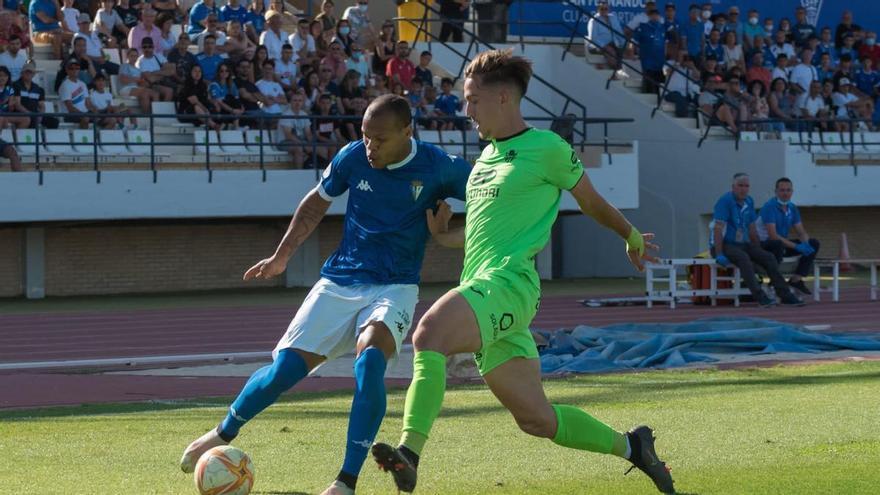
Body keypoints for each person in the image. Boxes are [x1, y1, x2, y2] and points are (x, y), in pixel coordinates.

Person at [371, 48, 672, 495]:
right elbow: (479, 237)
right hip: (483, 290)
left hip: (511, 287)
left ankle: (409, 454)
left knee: (428, 332)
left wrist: (630, 236)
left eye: (473, 100)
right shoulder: (483, 164)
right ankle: (633, 446)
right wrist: (444, 235)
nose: (466, 109)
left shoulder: (548, 148)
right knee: (537, 420)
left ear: (505, 98)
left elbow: (591, 201)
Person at [179, 94, 471, 495]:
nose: (370, 147)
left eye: (380, 140)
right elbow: (316, 203)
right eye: (366, 137)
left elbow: (495, 202)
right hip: (338, 282)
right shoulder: (353, 156)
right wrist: (281, 257)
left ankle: (345, 482)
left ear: (408, 132)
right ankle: (221, 432)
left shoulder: (440, 166)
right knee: (284, 372)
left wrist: (447, 237)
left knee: (369, 362)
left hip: (394, 286)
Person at [711, 173, 803, 307]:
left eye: (746, 186)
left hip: (742, 243)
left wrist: (757, 249)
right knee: (743, 258)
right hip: (724, 244)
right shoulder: (725, 201)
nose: (743, 189)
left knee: (769, 257)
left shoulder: (749, 201)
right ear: (733, 187)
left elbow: (752, 228)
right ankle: (760, 297)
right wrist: (719, 253)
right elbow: (718, 228)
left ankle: (785, 295)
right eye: (740, 185)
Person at [757, 177, 820, 295]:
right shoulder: (769, 207)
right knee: (778, 244)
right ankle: (774, 281)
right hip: (765, 245)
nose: (785, 193)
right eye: (782, 190)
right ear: (776, 192)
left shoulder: (792, 208)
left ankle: (796, 280)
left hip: (781, 244)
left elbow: (801, 232)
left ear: (792, 192)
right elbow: (773, 235)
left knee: (814, 243)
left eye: (788, 190)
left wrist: (806, 244)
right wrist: (796, 247)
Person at [11, 63, 58, 130]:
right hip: (20, 113)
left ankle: (45, 139)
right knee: (31, 119)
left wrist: (40, 116)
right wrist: (30, 114)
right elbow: (17, 105)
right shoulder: (15, 85)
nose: (28, 74)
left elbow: (42, 106)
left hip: (34, 114)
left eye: (30, 72)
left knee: (54, 122)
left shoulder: (38, 89)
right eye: (26, 71)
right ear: (22, 73)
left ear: (34, 74)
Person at [632, 8, 666, 94]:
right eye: (653, 15)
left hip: (660, 61)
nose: (655, 17)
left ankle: (658, 101)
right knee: (649, 82)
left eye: (656, 15)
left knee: (659, 84)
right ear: (649, 16)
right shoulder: (642, 27)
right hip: (647, 61)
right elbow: (634, 41)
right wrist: (632, 53)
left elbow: (667, 44)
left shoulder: (662, 28)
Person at [177, 64, 220, 129]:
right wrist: (205, 110)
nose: (197, 73)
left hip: (201, 113)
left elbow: (207, 98)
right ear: (190, 73)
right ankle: (213, 125)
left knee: (214, 106)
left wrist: (215, 103)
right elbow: (194, 101)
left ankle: (218, 126)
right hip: (186, 112)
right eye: (195, 71)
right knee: (196, 107)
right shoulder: (186, 86)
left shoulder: (203, 86)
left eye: (199, 71)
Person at [586, 1, 624, 75]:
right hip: (599, 45)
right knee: (611, 51)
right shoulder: (594, 20)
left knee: (627, 49)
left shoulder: (613, 18)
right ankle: (616, 72)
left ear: (608, 9)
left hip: (614, 43)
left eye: (605, 9)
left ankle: (623, 71)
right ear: (598, 9)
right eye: (601, 9)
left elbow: (619, 32)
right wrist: (604, 46)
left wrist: (625, 44)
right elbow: (593, 38)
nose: (604, 10)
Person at [276, 91, 312, 167]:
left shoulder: (304, 114)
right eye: (295, 100)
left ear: (303, 102)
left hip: (300, 141)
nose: (297, 103)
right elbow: (288, 135)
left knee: (321, 149)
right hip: (284, 142)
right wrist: (304, 145)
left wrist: (312, 144)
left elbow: (308, 133)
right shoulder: (286, 114)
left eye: (300, 100)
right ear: (290, 102)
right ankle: (299, 174)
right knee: (299, 148)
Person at [208, 62, 243, 128]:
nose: (224, 72)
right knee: (228, 98)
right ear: (218, 72)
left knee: (233, 99)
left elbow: (237, 99)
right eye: (222, 71)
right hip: (220, 109)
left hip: (229, 109)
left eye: (226, 71)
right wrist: (232, 110)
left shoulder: (231, 84)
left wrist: (241, 108)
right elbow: (218, 102)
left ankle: (236, 126)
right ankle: (235, 126)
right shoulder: (214, 84)